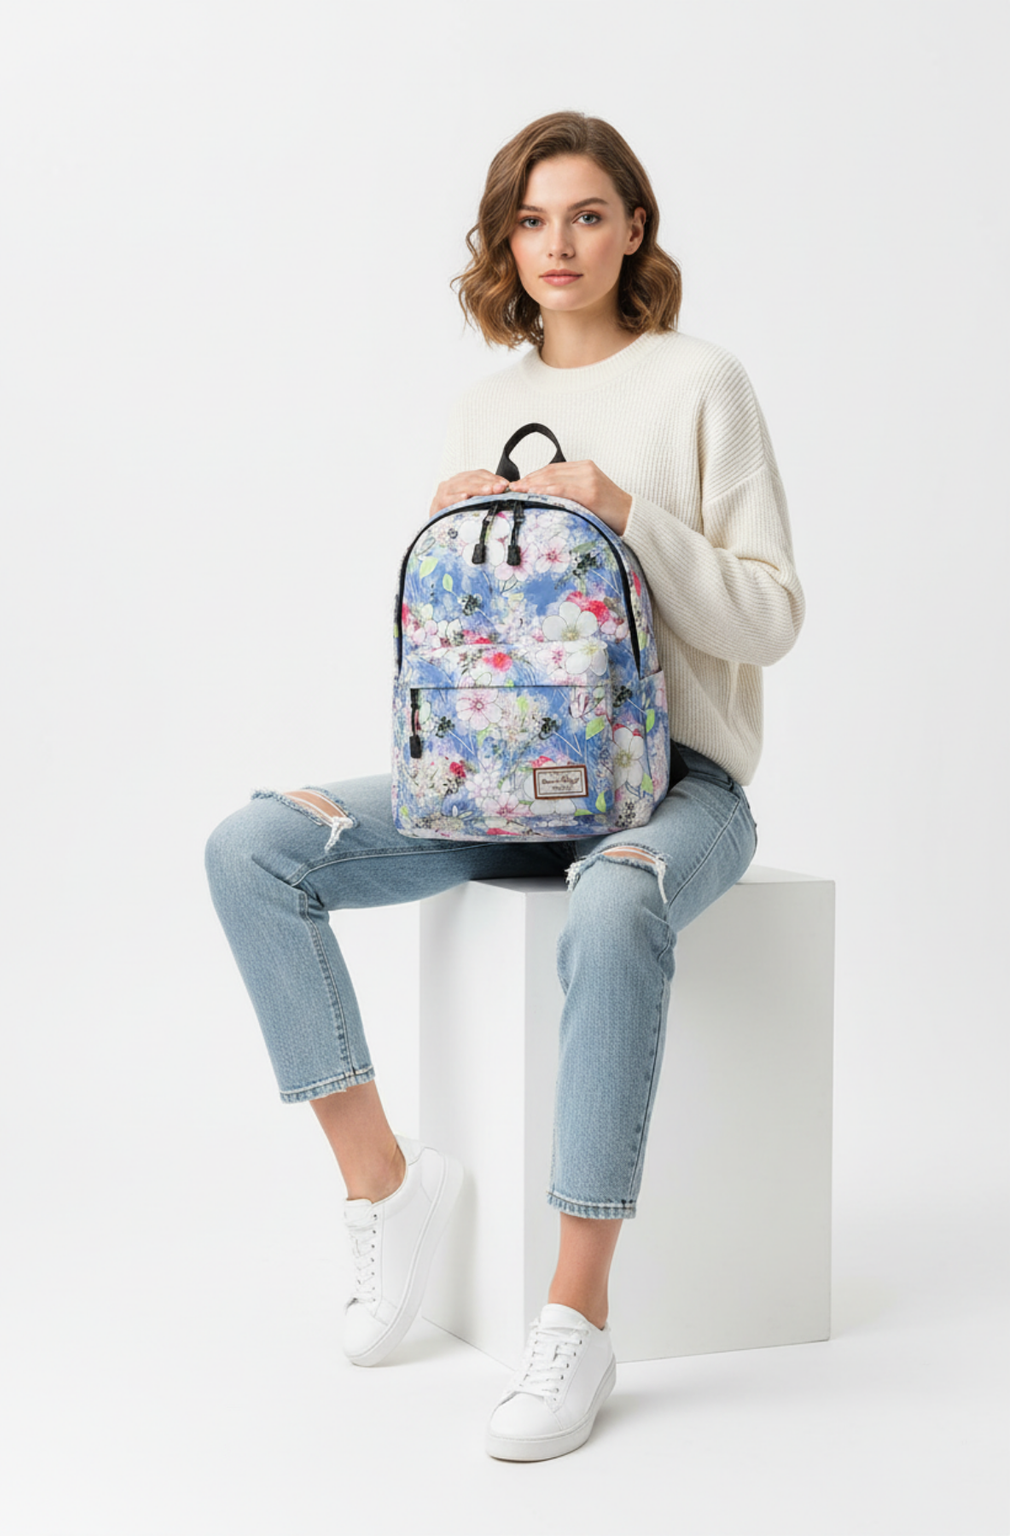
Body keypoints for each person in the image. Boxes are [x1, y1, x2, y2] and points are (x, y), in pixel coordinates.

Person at [205, 110, 804, 1462]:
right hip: (489, 787)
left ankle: (577, 1314)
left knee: (615, 904)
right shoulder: (483, 406)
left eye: (587, 214)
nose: (558, 244)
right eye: (532, 221)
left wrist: (629, 517)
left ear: (635, 227)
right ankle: (385, 1187)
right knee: (252, 849)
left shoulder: (700, 383)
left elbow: (772, 618)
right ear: (505, 241)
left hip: (677, 787)